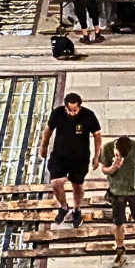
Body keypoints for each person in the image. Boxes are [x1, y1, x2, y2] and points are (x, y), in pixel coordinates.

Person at [37, 92, 102, 226]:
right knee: (55, 183)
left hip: (80, 158)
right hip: (59, 156)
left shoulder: (88, 116)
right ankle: (63, 206)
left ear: (79, 107)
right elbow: (48, 130)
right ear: (65, 107)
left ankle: (76, 209)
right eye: (69, 110)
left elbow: (97, 135)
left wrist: (97, 155)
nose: (72, 113)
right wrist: (43, 146)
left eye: (75, 110)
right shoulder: (58, 113)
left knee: (77, 185)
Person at [98, 134, 135, 268]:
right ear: (115, 146)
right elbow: (104, 169)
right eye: (119, 154)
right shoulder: (107, 149)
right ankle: (120, 252)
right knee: (118, 222)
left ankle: (133, 214)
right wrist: (113, 168)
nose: (121, 158)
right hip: (117, 193)